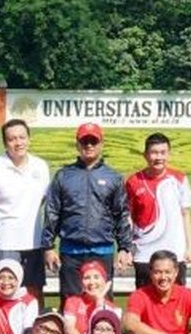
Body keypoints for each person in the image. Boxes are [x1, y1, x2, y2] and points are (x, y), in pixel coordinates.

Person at [43, 122, 134, 301]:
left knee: (102, 303)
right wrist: (48, 246)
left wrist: (124, 247)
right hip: (71, 252)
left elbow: (121, 213)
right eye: (85, 142)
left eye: (94, 141)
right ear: (77, 144)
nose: (89, 146)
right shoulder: (63, 176)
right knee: (71, 304)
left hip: (102, 251)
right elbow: (52, 211)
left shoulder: (113, 178)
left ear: (101, 144)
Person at [0, 119, 51, 300]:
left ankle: (34, 329)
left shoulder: (40, 166)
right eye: (12, 139)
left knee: (34, 293)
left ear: (29, 139)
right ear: (5, 143)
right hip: (5, 242)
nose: (18, 142)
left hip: (34, 242)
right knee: (7, 293)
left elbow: (45, 201)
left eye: (22, 137)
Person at [126, 132, 191, 287]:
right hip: (144, 253)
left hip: (174, 252)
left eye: (163, 153)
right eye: (154, 153)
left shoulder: (179, 179)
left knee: (176, 302)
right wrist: (127, 248)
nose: (159, 157)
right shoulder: (133, 181)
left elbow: (185, 214)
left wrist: (190, 247)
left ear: (169, 154)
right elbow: (128, 218)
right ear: (145, 155)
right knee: (145, 300)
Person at [61, 260, 121, 334]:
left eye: (96, 277)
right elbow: (69, 327)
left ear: (104, 281)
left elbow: (106, 333)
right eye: (87, 278)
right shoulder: (72, 301)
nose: (91, 282)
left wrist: (99, 301)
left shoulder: (114, 309)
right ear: (81, 283)